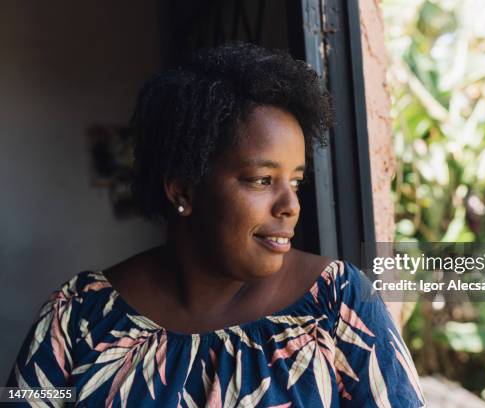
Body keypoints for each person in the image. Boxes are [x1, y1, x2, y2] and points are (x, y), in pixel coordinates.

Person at [6, 42, 425, 407]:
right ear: (183, 190)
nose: (291, 204)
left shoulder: (337, 304)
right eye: (262, 180)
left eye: (295, 180)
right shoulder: (78, 316)